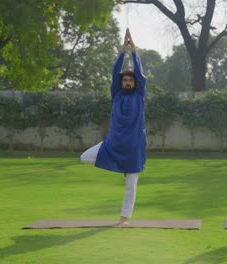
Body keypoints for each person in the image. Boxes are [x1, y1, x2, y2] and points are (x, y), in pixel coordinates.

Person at [80, 28, 147, 226]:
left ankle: (124, 219)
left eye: (130, 80)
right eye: (124, 80)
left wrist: (133, 51)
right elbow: (114, 73)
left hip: (134, 147)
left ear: (135, 84)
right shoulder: (116, 94)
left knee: (131, 186)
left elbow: (141, 75)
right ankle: (119, 166)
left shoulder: (139, 95)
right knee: (84, 157)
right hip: (113, 144)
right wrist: (121, 52)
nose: (127, 82)